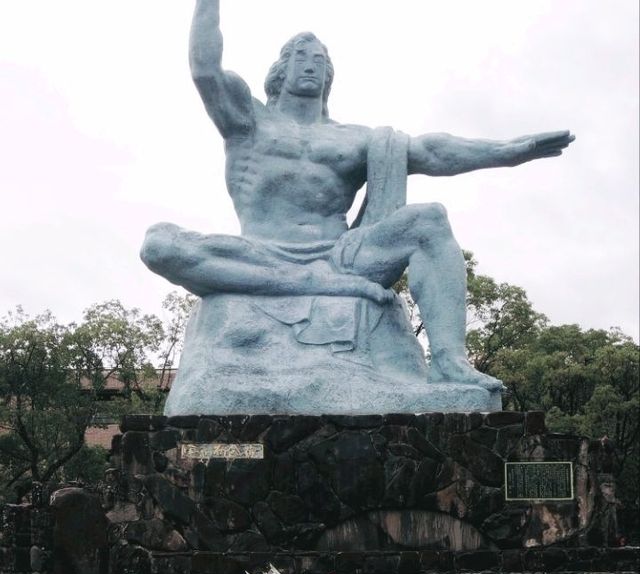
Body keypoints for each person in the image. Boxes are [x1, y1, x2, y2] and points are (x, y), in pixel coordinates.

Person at [141, 0, 574, 391]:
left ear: (330, 77)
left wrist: (505, 153)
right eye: (300, 57)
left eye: (320, 60)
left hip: (340, 257)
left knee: (429, 220)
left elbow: (429, 149)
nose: (311, 65)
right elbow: (204, 69)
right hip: (259, 253)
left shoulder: (353, 140)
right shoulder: (248, 121)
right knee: (159, 243)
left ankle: (450, 363)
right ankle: (304, 284)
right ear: (280, 70)